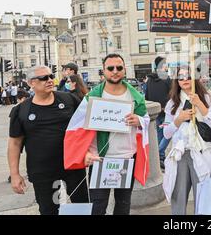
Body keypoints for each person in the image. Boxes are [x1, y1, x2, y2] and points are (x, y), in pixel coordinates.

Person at [64, 53, 150, 215]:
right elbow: (76, 129)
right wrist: (86, 152)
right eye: (110, 68)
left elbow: (145, 119)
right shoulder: (92, 97)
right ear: (103, 71)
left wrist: (139, 120)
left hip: (126, 158)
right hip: (99, 159)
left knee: (123, 205)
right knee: (97, 207)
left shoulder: (136, 97)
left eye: (119, 68)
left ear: (124, 70)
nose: (115, 71)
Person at [7, 66, 89, 215]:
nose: (50, 80)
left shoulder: (69, 99)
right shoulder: (21, 110)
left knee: (81, 207)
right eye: (44, 78)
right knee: (49, 210)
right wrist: (15, 174)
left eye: (51, 76)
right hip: (42, 171)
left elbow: (86, 126)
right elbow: (14, 143)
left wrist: (88, 151)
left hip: (73, 166)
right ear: (31, 83)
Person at [163, 65, 211, 215]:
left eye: (188, 76)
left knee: (203, 195)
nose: (184, 79)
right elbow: (166, 133)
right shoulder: (172, 103)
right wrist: (179, 119)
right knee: (178, 196)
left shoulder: (206, 98)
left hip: (202, 153)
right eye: (180, 77)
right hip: (180, 154)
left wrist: (200, 104)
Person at [145, 57, 172, 169]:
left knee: (160, 136)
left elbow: (146, 95)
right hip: (165, 112)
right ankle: (158, 153)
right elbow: (172, 94)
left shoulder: (149, 79)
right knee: (168, 134)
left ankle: (160, 158)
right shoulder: (166, 78)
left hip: (155, 112)